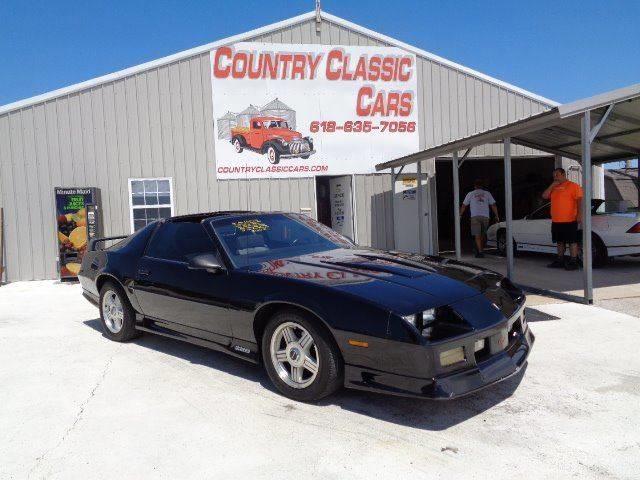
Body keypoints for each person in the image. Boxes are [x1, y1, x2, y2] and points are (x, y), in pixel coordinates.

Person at [542, 167, 583, 270]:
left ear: (564, 175)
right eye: (554, 176)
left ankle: (574, 261)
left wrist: (579, 214)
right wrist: (552, 185)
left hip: (570, 219)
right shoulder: (554, 188)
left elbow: (579, 201)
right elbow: (544, 196)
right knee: (559, 241)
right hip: (556, 220)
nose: (555, 177)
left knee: (572, 241)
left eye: (557, 175)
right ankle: (560, 260)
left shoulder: (573, 186)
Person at [460, 179, 500, 258]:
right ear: (482, 186)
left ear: (475, 186)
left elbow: (464, 205)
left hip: (475, 217)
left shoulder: (470, 194)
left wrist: (460, 214)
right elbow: (493, 205)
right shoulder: (487, 193)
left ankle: (480, 251)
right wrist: (497, 215)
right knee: (483, 234)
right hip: (485, 216)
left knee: (477, 235)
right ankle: (480, 249)